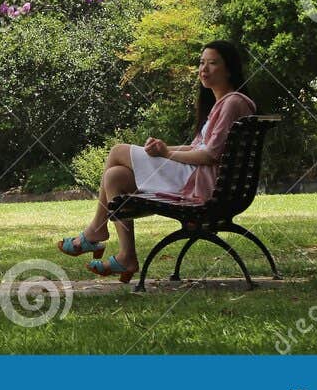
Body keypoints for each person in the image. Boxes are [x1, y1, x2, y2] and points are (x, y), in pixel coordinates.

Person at [56, 40, 256, 282]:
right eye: (202, 63)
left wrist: (165, 154)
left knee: (118, 151)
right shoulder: (222, 104)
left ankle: (96, 230)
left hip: (202, 184)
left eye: (213, 63)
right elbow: (198, 148)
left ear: (230, 69)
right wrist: (162, 148)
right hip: (200, 177)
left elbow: (210, 155)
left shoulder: (232, 102)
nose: (204, 69)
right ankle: (126, 256)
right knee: (114, 177)